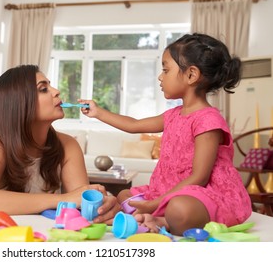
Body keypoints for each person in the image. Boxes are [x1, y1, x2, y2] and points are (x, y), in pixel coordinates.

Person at [79, 33, 252, 236]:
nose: (160, 77)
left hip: (201, 192)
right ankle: (156, 217)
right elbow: (134, 125)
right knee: (124, 194)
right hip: (167, 190)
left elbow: (200, 177)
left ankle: (161, 218)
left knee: (179, 209)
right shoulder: (172, 115)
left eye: (166, 69)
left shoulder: (208, 121)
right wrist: (98, 112)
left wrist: (157, 203)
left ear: (191, 75)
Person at [0, 65, 119, 224]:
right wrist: (60, 199)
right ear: (20, 103)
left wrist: (103, 206)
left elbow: (80, 203)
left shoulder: (68, 146)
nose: (56, 91)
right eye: (43, 89)